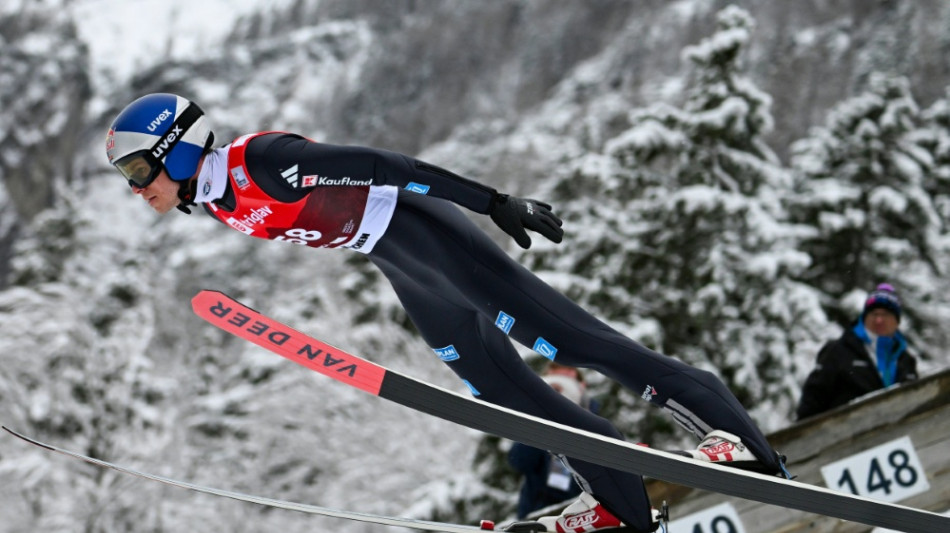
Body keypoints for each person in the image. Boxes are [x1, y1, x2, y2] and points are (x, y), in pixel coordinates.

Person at [106, 93, 788, 533]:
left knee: (571, 343)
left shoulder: (262, 161)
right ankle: (616, 498)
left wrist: (491, 201)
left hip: (426, 232)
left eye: (140, 170)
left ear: (178, 148)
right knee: (501, 392)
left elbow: (384, 164)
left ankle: (735, 436)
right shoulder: (219, 198)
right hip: (399, 261)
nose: (138, 188)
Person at [796, 283, 919, 420]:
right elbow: (812, 402)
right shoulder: (838, 351)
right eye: (874, 314)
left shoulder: (905, 360)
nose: (879, 320)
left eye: (885, 314)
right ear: (864, 317)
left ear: (896, 321)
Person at [508, 363, 594, 519]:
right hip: (538, 515)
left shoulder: (596, 424)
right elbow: (520, 461)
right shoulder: (535, 422)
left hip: (582, 514)